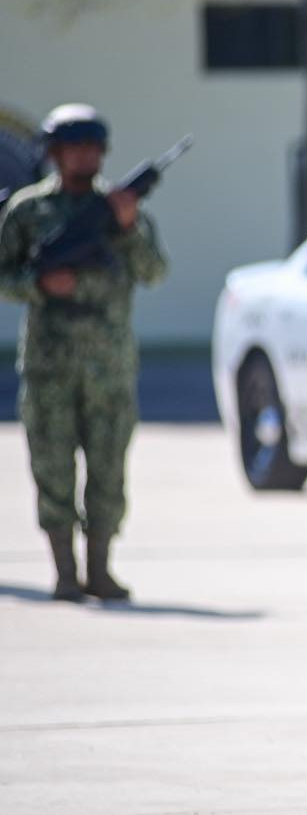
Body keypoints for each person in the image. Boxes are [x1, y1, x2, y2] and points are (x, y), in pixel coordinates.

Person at [0, 104, 168, 602]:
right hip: (50, 365)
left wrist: (128, 225)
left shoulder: (121, 209)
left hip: (110, 365)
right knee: (52, 468)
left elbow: (154, 272)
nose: (84, 157)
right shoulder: (28, 212)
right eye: (74, 148)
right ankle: (64, 572)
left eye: (93, 148)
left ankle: (100, 568)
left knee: (108, 470)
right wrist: (39, 284)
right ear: (54, 154)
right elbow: (3, 274)